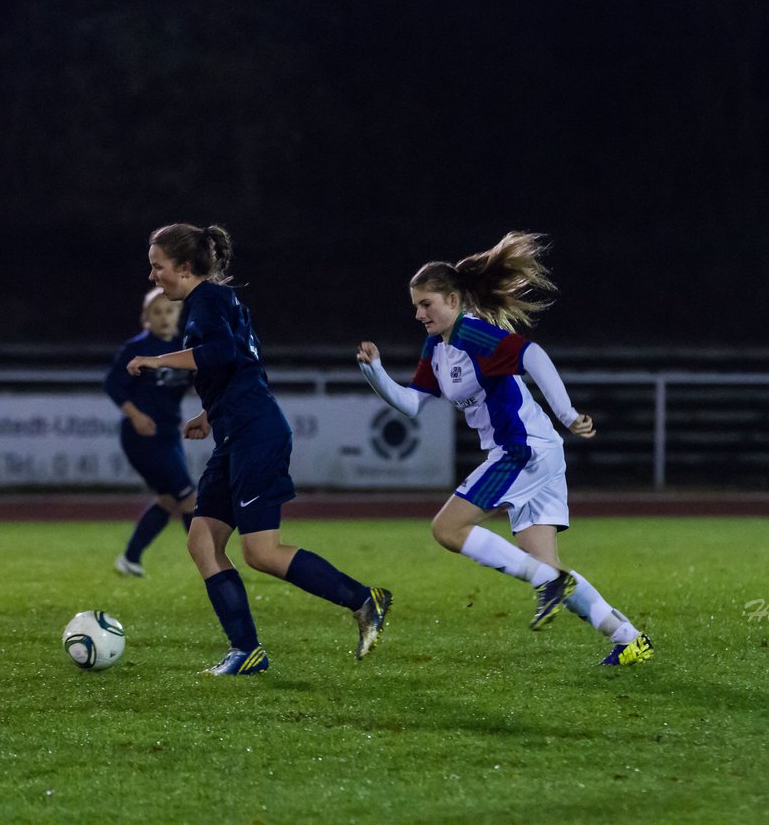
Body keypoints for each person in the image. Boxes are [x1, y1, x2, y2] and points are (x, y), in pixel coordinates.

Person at [356, 231, 653, 666]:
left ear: (454, 300)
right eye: (416, 304)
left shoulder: (473, 335)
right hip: (537, 453)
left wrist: (568, 413)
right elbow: (411, 404)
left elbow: (532, 355)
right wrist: (376, 372)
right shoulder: (437, 348)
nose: (418, 313)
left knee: (447, 529)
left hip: (521, 451)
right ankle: (629, 639)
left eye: (426, 303)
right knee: (548, 566)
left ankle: (548, 584)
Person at [127, 223, 391, 674]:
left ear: (185, 268)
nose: (153, 276)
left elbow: (222, 353)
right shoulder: (218, 301)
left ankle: (364, 599)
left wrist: (157, 359)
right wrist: (210, 414)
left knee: (261, 553)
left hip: (255, 435)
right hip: (237, 433)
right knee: (202, 543)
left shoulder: (206, 301)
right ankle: (245, 650)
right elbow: (246, 367)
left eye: (158, 267)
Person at [104, 288, 196, 577]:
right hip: (142, 436)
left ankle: (130, 559)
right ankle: (213, 564)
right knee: (189, 498)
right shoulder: (137, 348)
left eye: (169, 311)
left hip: (168, 434)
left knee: (170, 499)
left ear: (178, 314)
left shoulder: (184, 347)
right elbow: (114, 385)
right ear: (147, 318)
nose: (164, 317)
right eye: (157, 312)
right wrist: (136, 416)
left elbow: (200, 377)